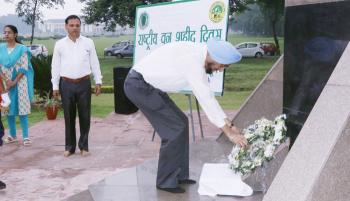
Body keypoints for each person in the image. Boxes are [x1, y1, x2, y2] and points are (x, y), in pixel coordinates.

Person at [124, 38, 248, 193]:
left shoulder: (200, 58)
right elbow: (204, 97)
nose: (221, 69)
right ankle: (166, 181)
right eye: (222, 66)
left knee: (181, 122)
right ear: (215, 57)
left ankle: (179, 175)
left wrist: (230, 125)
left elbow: (208, 95)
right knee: (174, 130)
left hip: (151, 87)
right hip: (139, 86)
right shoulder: (192, 60)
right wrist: (229, 134)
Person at [51, 15, 102, 157]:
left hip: (84, 83)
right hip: (66, 84)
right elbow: (55, 66)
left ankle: (84, 146)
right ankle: (69, 147)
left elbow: (95, 63)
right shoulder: (59, 44)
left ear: (81, 26)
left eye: (77, 25)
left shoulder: (88, 42)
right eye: (72, 25)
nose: (75, 28)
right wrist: (55, 85)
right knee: (69, 116)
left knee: (85, 116)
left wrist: (98, 81)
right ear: (66, 26)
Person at [0, 25, 34, 146]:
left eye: (9, 32)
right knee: (8, 109)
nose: (6, 34)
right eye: (5, 32)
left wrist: (14, 81)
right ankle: (12, 135)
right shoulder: (0, 48)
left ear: (15, 34)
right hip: (4, 84)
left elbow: (24, 67)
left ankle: (26, 136)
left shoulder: (22, 49)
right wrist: (6, 81)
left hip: (20, 83)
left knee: (22, 109)